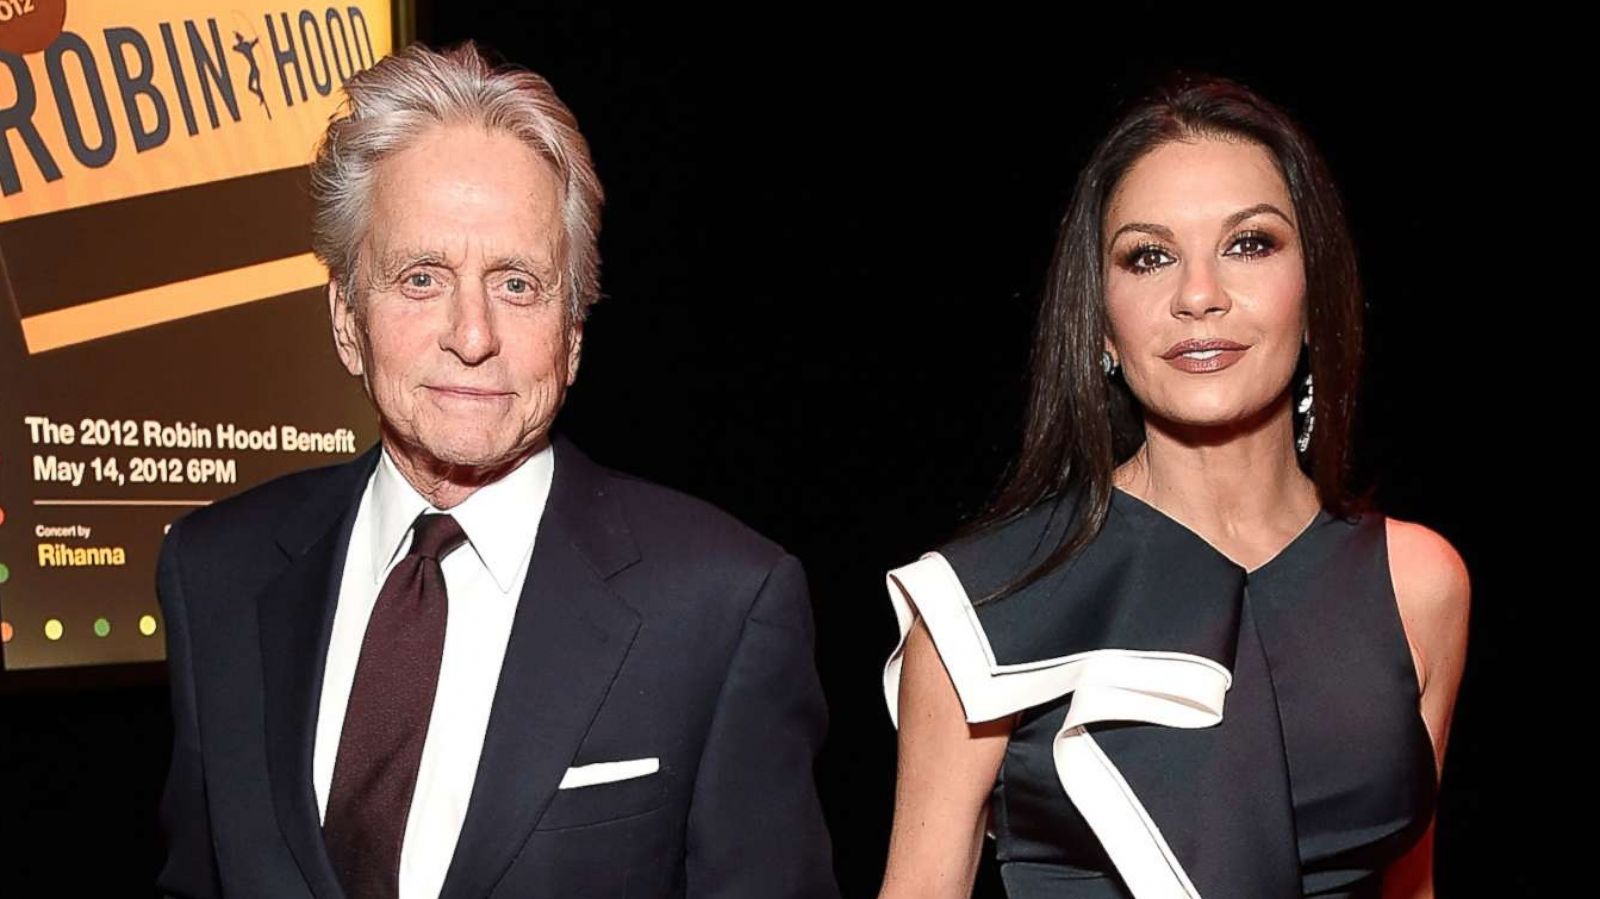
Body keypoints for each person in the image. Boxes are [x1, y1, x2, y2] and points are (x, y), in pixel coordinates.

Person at [154, 42, 838, 899]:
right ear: (345, 317)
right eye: (422, 277)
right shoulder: (214, 571)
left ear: (575, 332)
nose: (471, 334)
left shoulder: (723, 602)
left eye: (517, 283)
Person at [876, 74, 1469, 899]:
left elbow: (1411, 887)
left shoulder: (1418, 583)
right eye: (1150, 256)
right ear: (1104, 323)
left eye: (1250, 244)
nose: (1199, 295)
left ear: (1317, 293)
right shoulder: (986, 608)